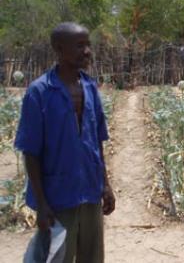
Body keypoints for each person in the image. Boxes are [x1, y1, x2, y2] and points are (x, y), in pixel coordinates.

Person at [15, 22, 115, 263]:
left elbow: (96, 142)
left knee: (92, 257)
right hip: (57, 196)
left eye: (88, 45)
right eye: (80, 46)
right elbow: (31, 152)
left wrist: (106, 185)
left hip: (90, 192)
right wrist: (41, 203)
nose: (87, 51)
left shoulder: (90, 88)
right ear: (59, 49)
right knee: (57, 257)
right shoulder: (39, 92)